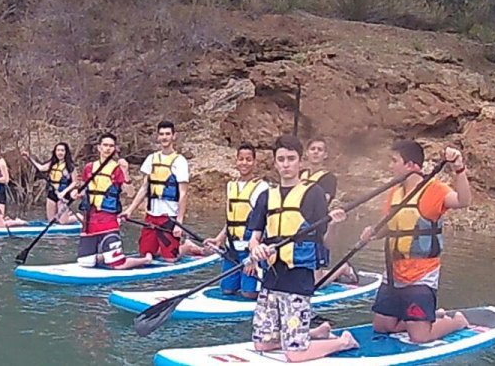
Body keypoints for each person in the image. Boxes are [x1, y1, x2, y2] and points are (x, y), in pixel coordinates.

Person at [245, 134, 358, 362]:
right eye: (281, 159)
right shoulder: (267, 196)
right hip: (271, 278)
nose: (286, 164)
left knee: (294, 356)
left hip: (297, 279)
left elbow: (325, 243)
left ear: (300, 161)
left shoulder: (313, 194)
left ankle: (343, 341)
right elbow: (254, 239)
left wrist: (334, 225)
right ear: (275, 162)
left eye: (291, 159)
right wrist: (256, 250)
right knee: (261, 344)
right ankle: (316, 333)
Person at [359, 140, 472, 344]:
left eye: (394, 161)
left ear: (411, 165)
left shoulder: (434, 190)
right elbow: (391, 226)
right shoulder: (395, 193)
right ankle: (430, 317)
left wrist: (459, 168)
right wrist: (373, 233)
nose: (390, 166)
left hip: (421, 274)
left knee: (420, 337)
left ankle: (456, 321)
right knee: (382, 326)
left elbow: (463, 201)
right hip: (394, 273)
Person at [66, 133, 153, 270]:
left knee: (118, 265)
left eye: (111, 146)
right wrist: (75, 193)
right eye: (105, 145)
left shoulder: (118, 168)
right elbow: (84, 190)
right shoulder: (89, 167)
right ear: (99, 147)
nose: (107, 148)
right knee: (85, 263)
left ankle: (145, 260)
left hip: (108, 220)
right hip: (90, 220)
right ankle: (106, 255)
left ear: (115, 149)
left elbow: (129, 193)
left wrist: (126, 172)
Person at [203, 143, 268, 299]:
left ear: (254, 162)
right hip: (231, 248)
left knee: (248, 293)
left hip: (249, 249)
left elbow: (263, 223)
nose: (244, 163)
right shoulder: (231, 186)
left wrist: (254, 257)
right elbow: (231, 219)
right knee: (226, 291)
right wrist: (219, 239)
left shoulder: (262, 187)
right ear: (236, 161)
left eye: (248, 159)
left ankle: (263, 285)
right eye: (241, 159)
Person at [122, 120, 189, 262]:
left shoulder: (180, 161)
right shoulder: (151, 159)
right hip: (151, 216)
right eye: (162, 134)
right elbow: (144, 188)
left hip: (169, 217)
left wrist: (179, 222)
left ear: (173, 136)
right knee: (145, 254)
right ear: (158, 137)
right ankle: (160, 247)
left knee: (170, 260)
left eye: (167, 134)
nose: (164, 137)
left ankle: (186, 247)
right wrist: (129, 210)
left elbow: (183, 193)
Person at [300, 138, 358, 285]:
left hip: (316, 224)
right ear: (306, 153)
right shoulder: (300, 175)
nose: (316, 152)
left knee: (315, 282)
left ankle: (342, 268)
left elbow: (323, 201)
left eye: (320, 150)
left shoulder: (328, 178)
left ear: (325, 155)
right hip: (297, 223)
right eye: (313, 149)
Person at [22, 142, 78, 224]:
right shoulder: (52, 163)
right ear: (55, 152)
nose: (60, 152)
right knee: (51, 221)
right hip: (52, 193)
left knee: (63, 222)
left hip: (63, 195)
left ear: (66, 152)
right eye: (58, 150)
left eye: (62, 150)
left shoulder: (70, 166)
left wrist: (64, 192)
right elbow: (40, 168)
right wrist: (29, 158)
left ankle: (76, 217)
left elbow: (75, 182)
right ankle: (65, 215)